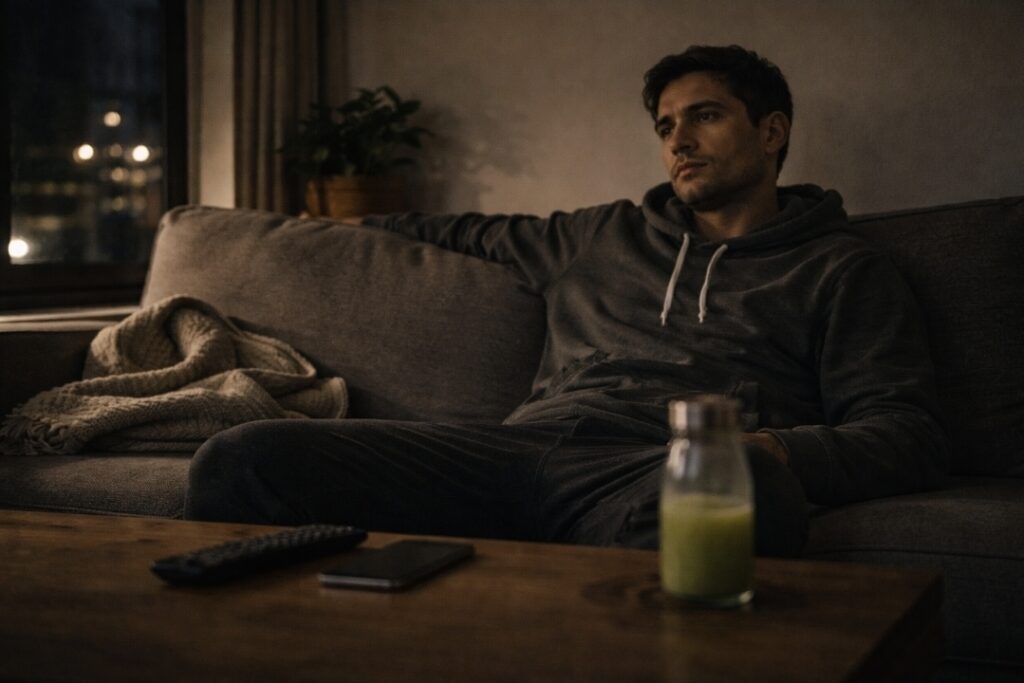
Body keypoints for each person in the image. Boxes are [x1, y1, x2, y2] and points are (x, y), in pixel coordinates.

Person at [184, 45, 949, 557]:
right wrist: (303, 228)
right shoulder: (601, 234)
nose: (678, 139)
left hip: (652, 472)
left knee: (750, 494)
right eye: (665, 125)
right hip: (507, 455)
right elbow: (454, 232)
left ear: (772, 130)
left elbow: (905, 431)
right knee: (243, 459)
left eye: (705, 115)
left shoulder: (843, 269)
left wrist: (776, 449)